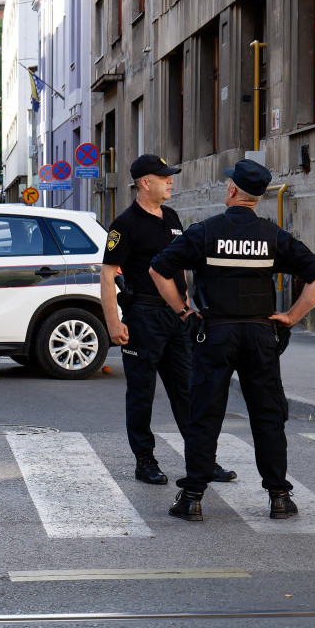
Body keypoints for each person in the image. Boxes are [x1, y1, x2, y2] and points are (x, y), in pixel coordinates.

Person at [149, 159, 315, 522]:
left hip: (215, 333)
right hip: (261, 335)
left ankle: (192, 498)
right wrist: (291, 317)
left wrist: (184, 312)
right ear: (258, 197)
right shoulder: (273, 236)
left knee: (204, 414)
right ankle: (280, 498)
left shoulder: (205, 232)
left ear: (232, 190)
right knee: (267, 416)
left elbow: (158, 269)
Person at [101, 155, 237, 486]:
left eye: (170, 176)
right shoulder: (125, 224)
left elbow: (180, 268)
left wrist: (187, 308)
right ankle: (145, 461)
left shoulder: (172, 217)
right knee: (141, 393)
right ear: (145, 183)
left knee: (189, 391)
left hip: (175, 319)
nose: (170, 181)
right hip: (143, 316)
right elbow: (107, 275)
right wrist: (113, 323)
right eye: (164, 177)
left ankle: (202, 460)